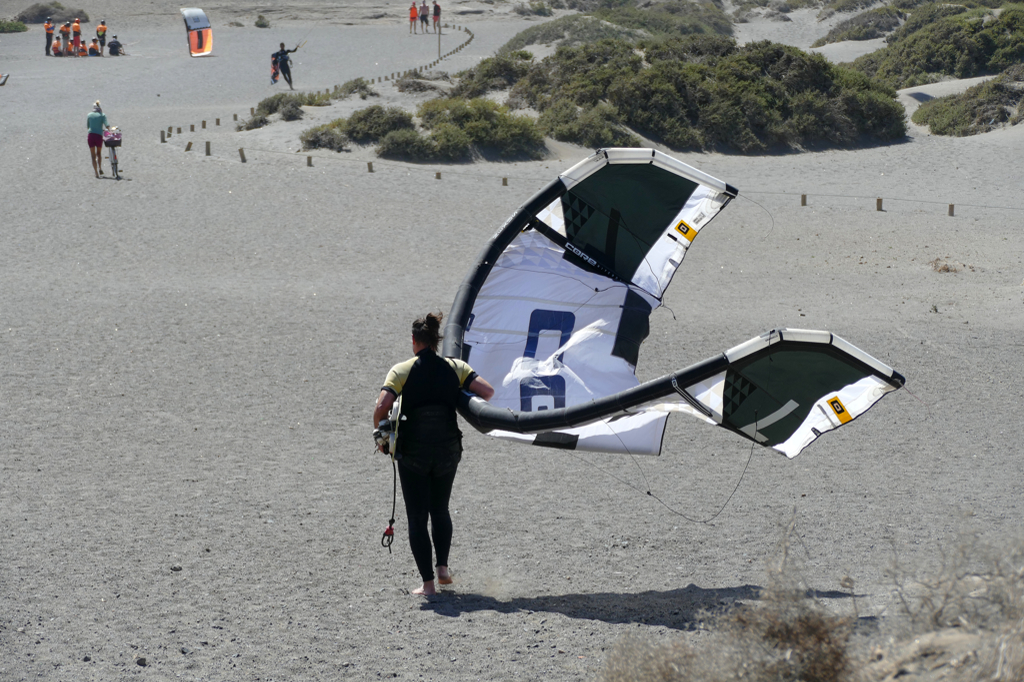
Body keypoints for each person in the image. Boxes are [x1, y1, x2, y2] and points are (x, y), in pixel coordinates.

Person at [373, 312, 495, 596]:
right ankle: (442, 569)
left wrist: (380, 437)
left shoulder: (401, 370)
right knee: (439, 509)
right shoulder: (456, 367)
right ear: (436, 341)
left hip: (413, 454)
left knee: (417, 517)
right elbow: (487, 393)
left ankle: (428, 585)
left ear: (414, 341)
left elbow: (382, 406)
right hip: (448, 452)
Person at [87, 101, 110, 178]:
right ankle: (100, 167)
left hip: (91, 136)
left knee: (92, 155)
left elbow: (88, 126)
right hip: (99, 136)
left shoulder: (89, 115)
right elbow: (107, 125)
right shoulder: (102, 115)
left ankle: (96, 172)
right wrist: (110, 131)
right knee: (99, 153)